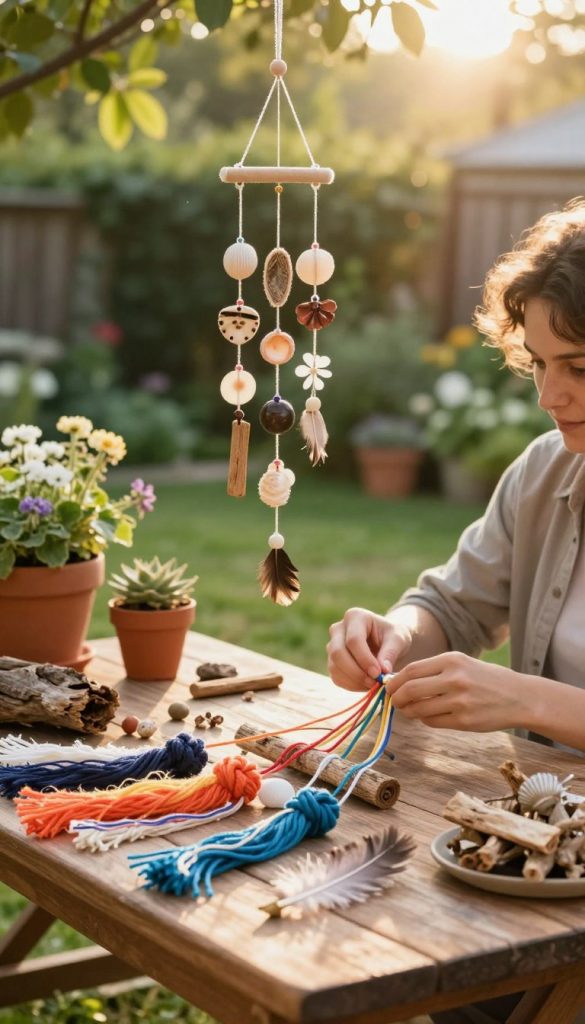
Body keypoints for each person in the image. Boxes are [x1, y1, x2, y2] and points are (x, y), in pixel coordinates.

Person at [327, 200, 585, 1024]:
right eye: (539, 362)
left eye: (577, 365)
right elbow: (451, 602)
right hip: (534, 840)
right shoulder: (546, 471)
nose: (548, 394)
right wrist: (393, 636)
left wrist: (530, 703)